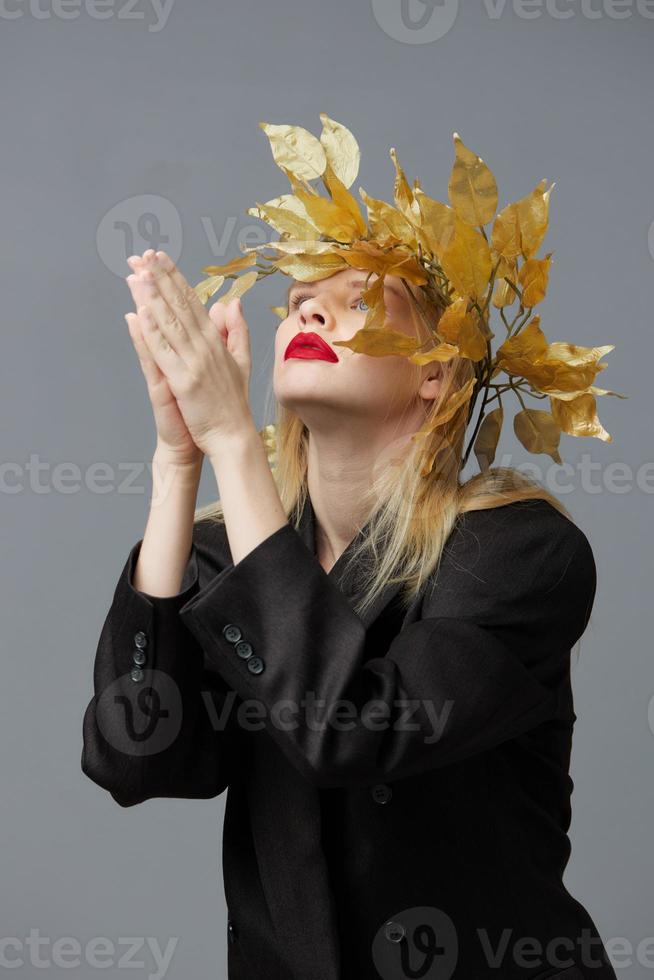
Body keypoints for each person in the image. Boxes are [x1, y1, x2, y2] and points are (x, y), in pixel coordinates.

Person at [82, 116, 620, 979]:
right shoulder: (239, 550)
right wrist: (179, 460)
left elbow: (348, 731)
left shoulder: (521, 551)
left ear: (436, 370)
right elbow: (135, 757)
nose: (312, 308)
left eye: (357, 298)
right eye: (300, 301)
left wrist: (229, 439)